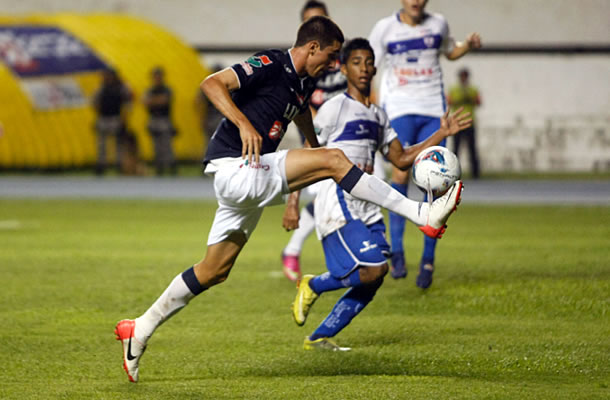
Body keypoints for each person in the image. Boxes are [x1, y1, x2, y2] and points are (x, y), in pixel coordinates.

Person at [114, 16, 463, 383]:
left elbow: (298, 116)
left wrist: (316, 149)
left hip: (250, 177)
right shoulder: (270, 63)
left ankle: (138, 328)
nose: (332, 65)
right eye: (329, 57)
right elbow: (211, 84)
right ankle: (421, 212)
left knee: (214, 270)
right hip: (235, 168)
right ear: (312, 47)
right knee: (333, 160)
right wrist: (246, 125)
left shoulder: (302, 84)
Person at [291, 38, 471, 351]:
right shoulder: (334, 108)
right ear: (344, 68)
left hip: (370, 206)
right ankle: (313, 284)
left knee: (377, 275)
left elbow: (400, 159)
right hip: (338, 200)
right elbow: (307, 153)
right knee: (370, 269)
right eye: (356, 62)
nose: (364, 68)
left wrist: (441, 134)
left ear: (376, 67)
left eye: (369, 62)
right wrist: (292, 203)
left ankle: (319, 338)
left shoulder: (379, 116)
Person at [369, 0, 481, 287]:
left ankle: (428, 259)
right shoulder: (384, 29)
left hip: (434, 112)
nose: (416, 1)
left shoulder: (438, 24)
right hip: (398, 110)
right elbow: (368, 68)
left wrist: (466, 45)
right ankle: (397, 252)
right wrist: (371, 108)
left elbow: (450, 51)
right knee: (400, 174)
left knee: (438, 184)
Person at [281, 0, 348, 282]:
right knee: (329, 196)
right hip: (319, 138)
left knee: (345, 194)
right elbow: (305, 110)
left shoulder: (341, 62)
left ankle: (296, 250)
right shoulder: (300, 69)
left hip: (347, 138)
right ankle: (340, 263)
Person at [92, 68, 133, 176]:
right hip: (103, 118)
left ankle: (119, 164)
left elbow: (128, 104)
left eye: (109, 75)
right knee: (101, 144)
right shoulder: (101, 88)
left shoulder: (121, 87)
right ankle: (101, 165)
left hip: (116, 118)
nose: (107, 77)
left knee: (118, 144)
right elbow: (94, 103)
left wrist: (124, 120)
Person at [448, 67, 481, 179]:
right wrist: (460, 99)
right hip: (457, 123)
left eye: (465, 76)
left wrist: (469, 98)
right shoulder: (454, 89)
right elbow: (449, 101)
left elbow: (478, 102)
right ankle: (453, 172)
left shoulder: (472, 89)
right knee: (455, 149)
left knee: (472, 149)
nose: (463, 79)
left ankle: (475, 173)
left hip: (470, 123)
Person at [143, 66, 177, 176]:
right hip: (154, 120)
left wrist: (153, 101)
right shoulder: (150, 90)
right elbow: (145, 102)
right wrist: (156, 101)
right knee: (156, 146)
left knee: (167, 145)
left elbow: (164, 101)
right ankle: (159, 167)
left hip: (164, 120)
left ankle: (171, 166)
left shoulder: (166, 89)